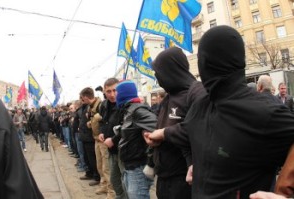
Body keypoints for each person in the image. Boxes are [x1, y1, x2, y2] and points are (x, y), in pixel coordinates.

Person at [179, 25, 294, 198]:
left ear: (204, 63)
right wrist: (199, 165)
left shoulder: (264, 113)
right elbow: (186, 135)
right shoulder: (199, 106)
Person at [145, 46, 204, 199]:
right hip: (165, 177)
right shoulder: (169, 97)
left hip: (185, 178)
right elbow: (164, 127)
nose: (158, 78)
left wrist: (163, 134)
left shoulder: (197, 93)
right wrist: (154, 139)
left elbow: (199, 128)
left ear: (171, 71)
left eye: (159, 73)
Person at [0, 96, 44, 199]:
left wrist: (24, 123)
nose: (20, 112)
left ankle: (33, 145)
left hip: (21, 130)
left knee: (23, 140)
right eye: (19, 110)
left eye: (21, 111)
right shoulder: (8, 114)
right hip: (17, 129)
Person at [116, 80, 157, 199]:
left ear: (124, 94)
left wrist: (150, 162)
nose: (115, 96)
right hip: (129, 166)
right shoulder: (128, 110)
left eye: (117, 93)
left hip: (138, 168)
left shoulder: (138, 110)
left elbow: (158, 129)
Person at [99, 78, 128, 199]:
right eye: (108, 91)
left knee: (126, 182)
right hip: (111, 150)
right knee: (114, 180)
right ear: (104, 92)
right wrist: (102, 133)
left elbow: (127, 127)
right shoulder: (104, 105)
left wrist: (113, 140)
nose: (112, 94)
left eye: (115, 90)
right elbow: (103, 121)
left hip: (124, 149)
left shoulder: (126, 104)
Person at [79, 87, 101, 186]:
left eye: (82, 98)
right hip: (86, 136)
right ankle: (91, 173)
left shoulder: (98, 105)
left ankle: (96, 176)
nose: (81, 100)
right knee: (89, 158)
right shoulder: (88, 106)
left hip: (91, 137)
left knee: (94, 159)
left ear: (86, 97)